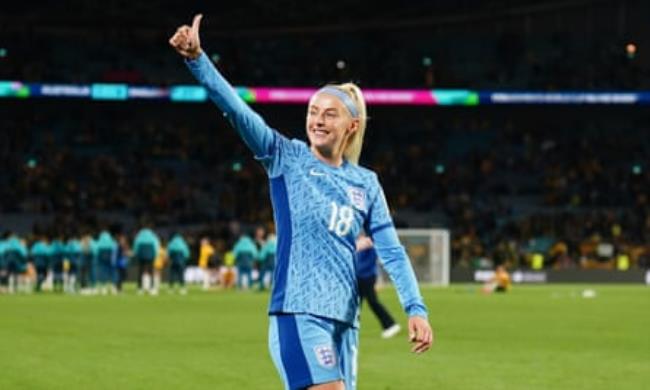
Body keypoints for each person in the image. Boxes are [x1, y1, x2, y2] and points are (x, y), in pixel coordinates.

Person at [170, 15, 433, 390]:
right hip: (299, 312)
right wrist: (198, 61)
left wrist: (415, 308)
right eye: (313, 112)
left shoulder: (366, 183)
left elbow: (392, 252)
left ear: (352, 126)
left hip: (346, 322)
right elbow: (238, 111)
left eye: (330, 114)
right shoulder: (286, 158)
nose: (318, 120)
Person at [355, 234, 401, 339]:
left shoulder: (369, 243)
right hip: (361, 276)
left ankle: (391, 324)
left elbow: (366, 261)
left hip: (365, 276)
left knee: (372, 302)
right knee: (357, 304)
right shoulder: (361, 242)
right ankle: (349, 328)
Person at [132, 226, 161, 294]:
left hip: (141, 256)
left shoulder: (139, 237)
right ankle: (152, 288)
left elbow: (135, 247)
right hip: (150, 256)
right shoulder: (153, 237)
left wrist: (136, 254)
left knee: (140, 272)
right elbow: (156, 247)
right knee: (150, 271)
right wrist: (156, 255)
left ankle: (140, 288)